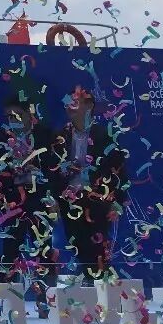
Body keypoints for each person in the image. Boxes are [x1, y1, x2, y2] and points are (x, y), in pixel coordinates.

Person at [0, 95, 58, 317]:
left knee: (44, 251)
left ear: (29, 115)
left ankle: (48, 307)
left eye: (17, 115)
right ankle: (5, 310)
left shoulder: (45, 135)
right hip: (11, 204)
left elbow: (56, 170)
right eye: (9, 117)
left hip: (40, 202)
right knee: (9, 253)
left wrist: (55, 200)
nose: (13, 120)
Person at [51, 88, 128, 283]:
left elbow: (119, 169)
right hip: (70, 201)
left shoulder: (105, 135)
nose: (70, 106)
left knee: (99, 246)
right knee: (77, 244)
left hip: (98, 199)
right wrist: (54, 198)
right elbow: (52, 171)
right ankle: (88, 284)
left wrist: (117, 201)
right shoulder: (60, 136)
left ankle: (102, 287)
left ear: (89, 105)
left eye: (75, 102)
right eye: (68, 102)